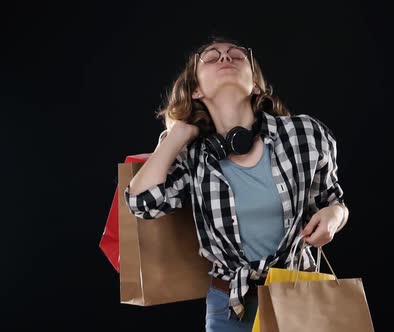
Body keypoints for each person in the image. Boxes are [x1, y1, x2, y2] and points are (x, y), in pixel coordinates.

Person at [124, 35, 349, 332]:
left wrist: (333, 218)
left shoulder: (304, 134)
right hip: (230, 306)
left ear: (256, 84)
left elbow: (334, 203)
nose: (225, 58)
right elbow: (141, 205)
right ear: (195, 90)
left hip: (300, 296)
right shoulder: (192, 155)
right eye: (212, 57)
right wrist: (176, 135)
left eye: (236, 55)